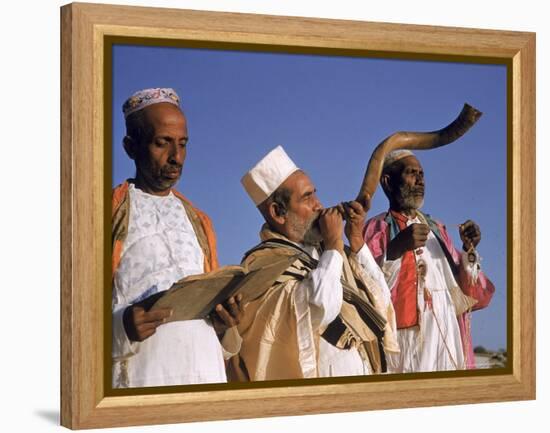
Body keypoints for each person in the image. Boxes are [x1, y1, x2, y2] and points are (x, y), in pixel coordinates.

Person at [230, 146, 398, 381]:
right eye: (307, 198)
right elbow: (319, 308)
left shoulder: (329, 254)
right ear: (278, 212)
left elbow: (382, 299)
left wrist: (357, 240)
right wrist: (333, 247)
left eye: (315, 194)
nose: (319, 205)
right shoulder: (263, 266)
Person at [111, 88, 242, 388]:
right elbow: (70, 313)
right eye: (162, 143)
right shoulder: (105, 212)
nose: (176, 157)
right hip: (144, 378)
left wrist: (224, 323)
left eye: (183, 145)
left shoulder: (199, 220)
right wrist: (121, 327)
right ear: (131, 147)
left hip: (205, 373)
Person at [363, 149, 495, 373]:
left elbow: (467, 292)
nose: (419, 180)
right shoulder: (377, 229)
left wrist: (468, 249)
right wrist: (395, 249)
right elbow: (365, 286)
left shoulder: (438, 229)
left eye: (422, 174)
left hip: (448, 332)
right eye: (411, 173)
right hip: (406, 339)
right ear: (387, 182)